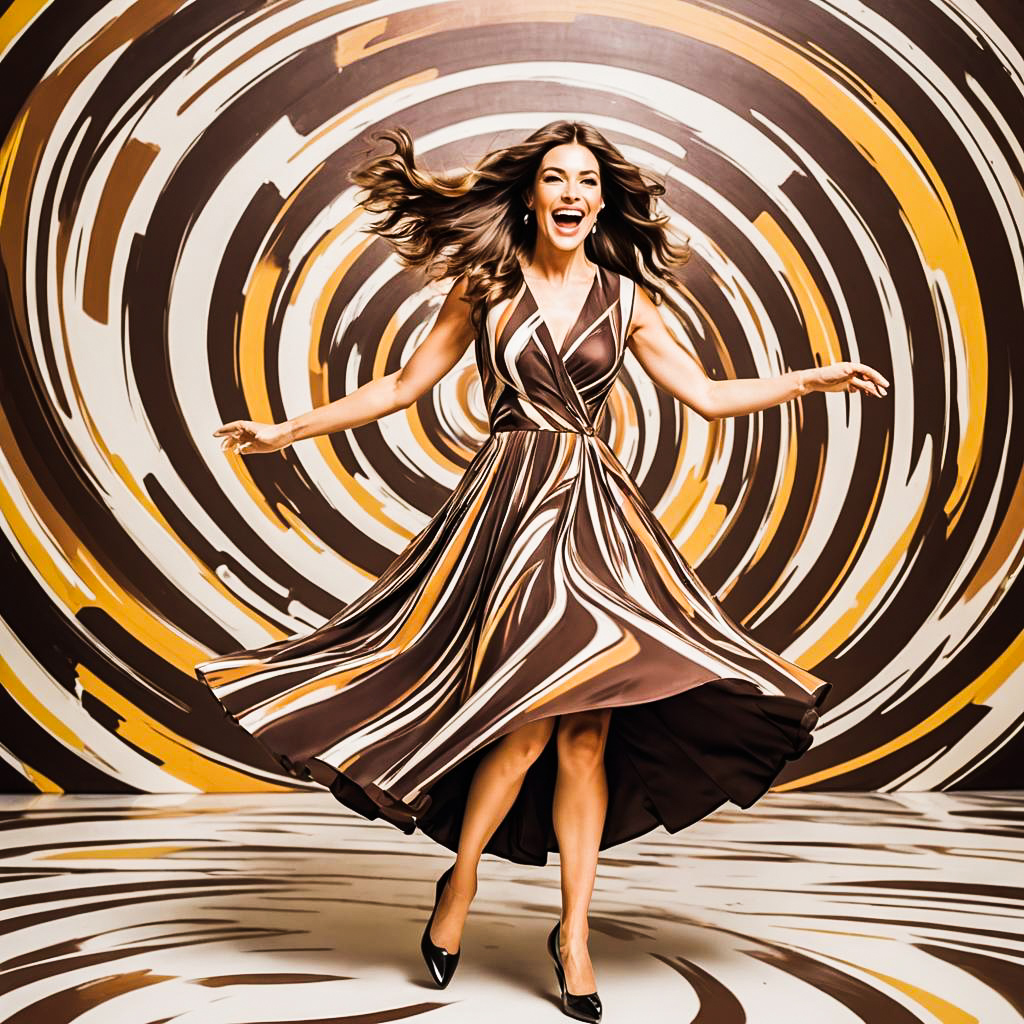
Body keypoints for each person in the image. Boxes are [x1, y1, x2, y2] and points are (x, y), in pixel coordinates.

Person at [196, 120, 888, 1022]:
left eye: (587, 181)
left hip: (594, 512)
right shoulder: (484, 286)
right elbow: (404, 386)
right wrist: (284, 431)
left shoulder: (628, 297)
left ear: (602, 200)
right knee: (523, 732)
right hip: (509, 511)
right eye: (556, 177)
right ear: (531, 194)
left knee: (586, 735)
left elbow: (708, 397)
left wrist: (809, 379)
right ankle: (463, 881)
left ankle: (575, 935)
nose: (572, 191)